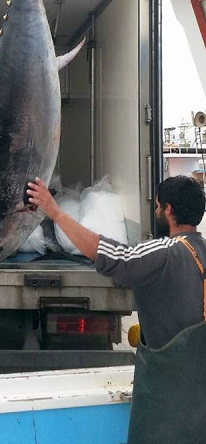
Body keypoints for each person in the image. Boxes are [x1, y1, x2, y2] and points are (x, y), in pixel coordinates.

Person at [27, 174, 206, 444]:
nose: (156, 211)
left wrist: (54, 211)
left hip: (170, 402)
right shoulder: (200, 250)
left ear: (169, 210)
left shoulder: (165, 252)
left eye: (157, 206)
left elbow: (111, 256)